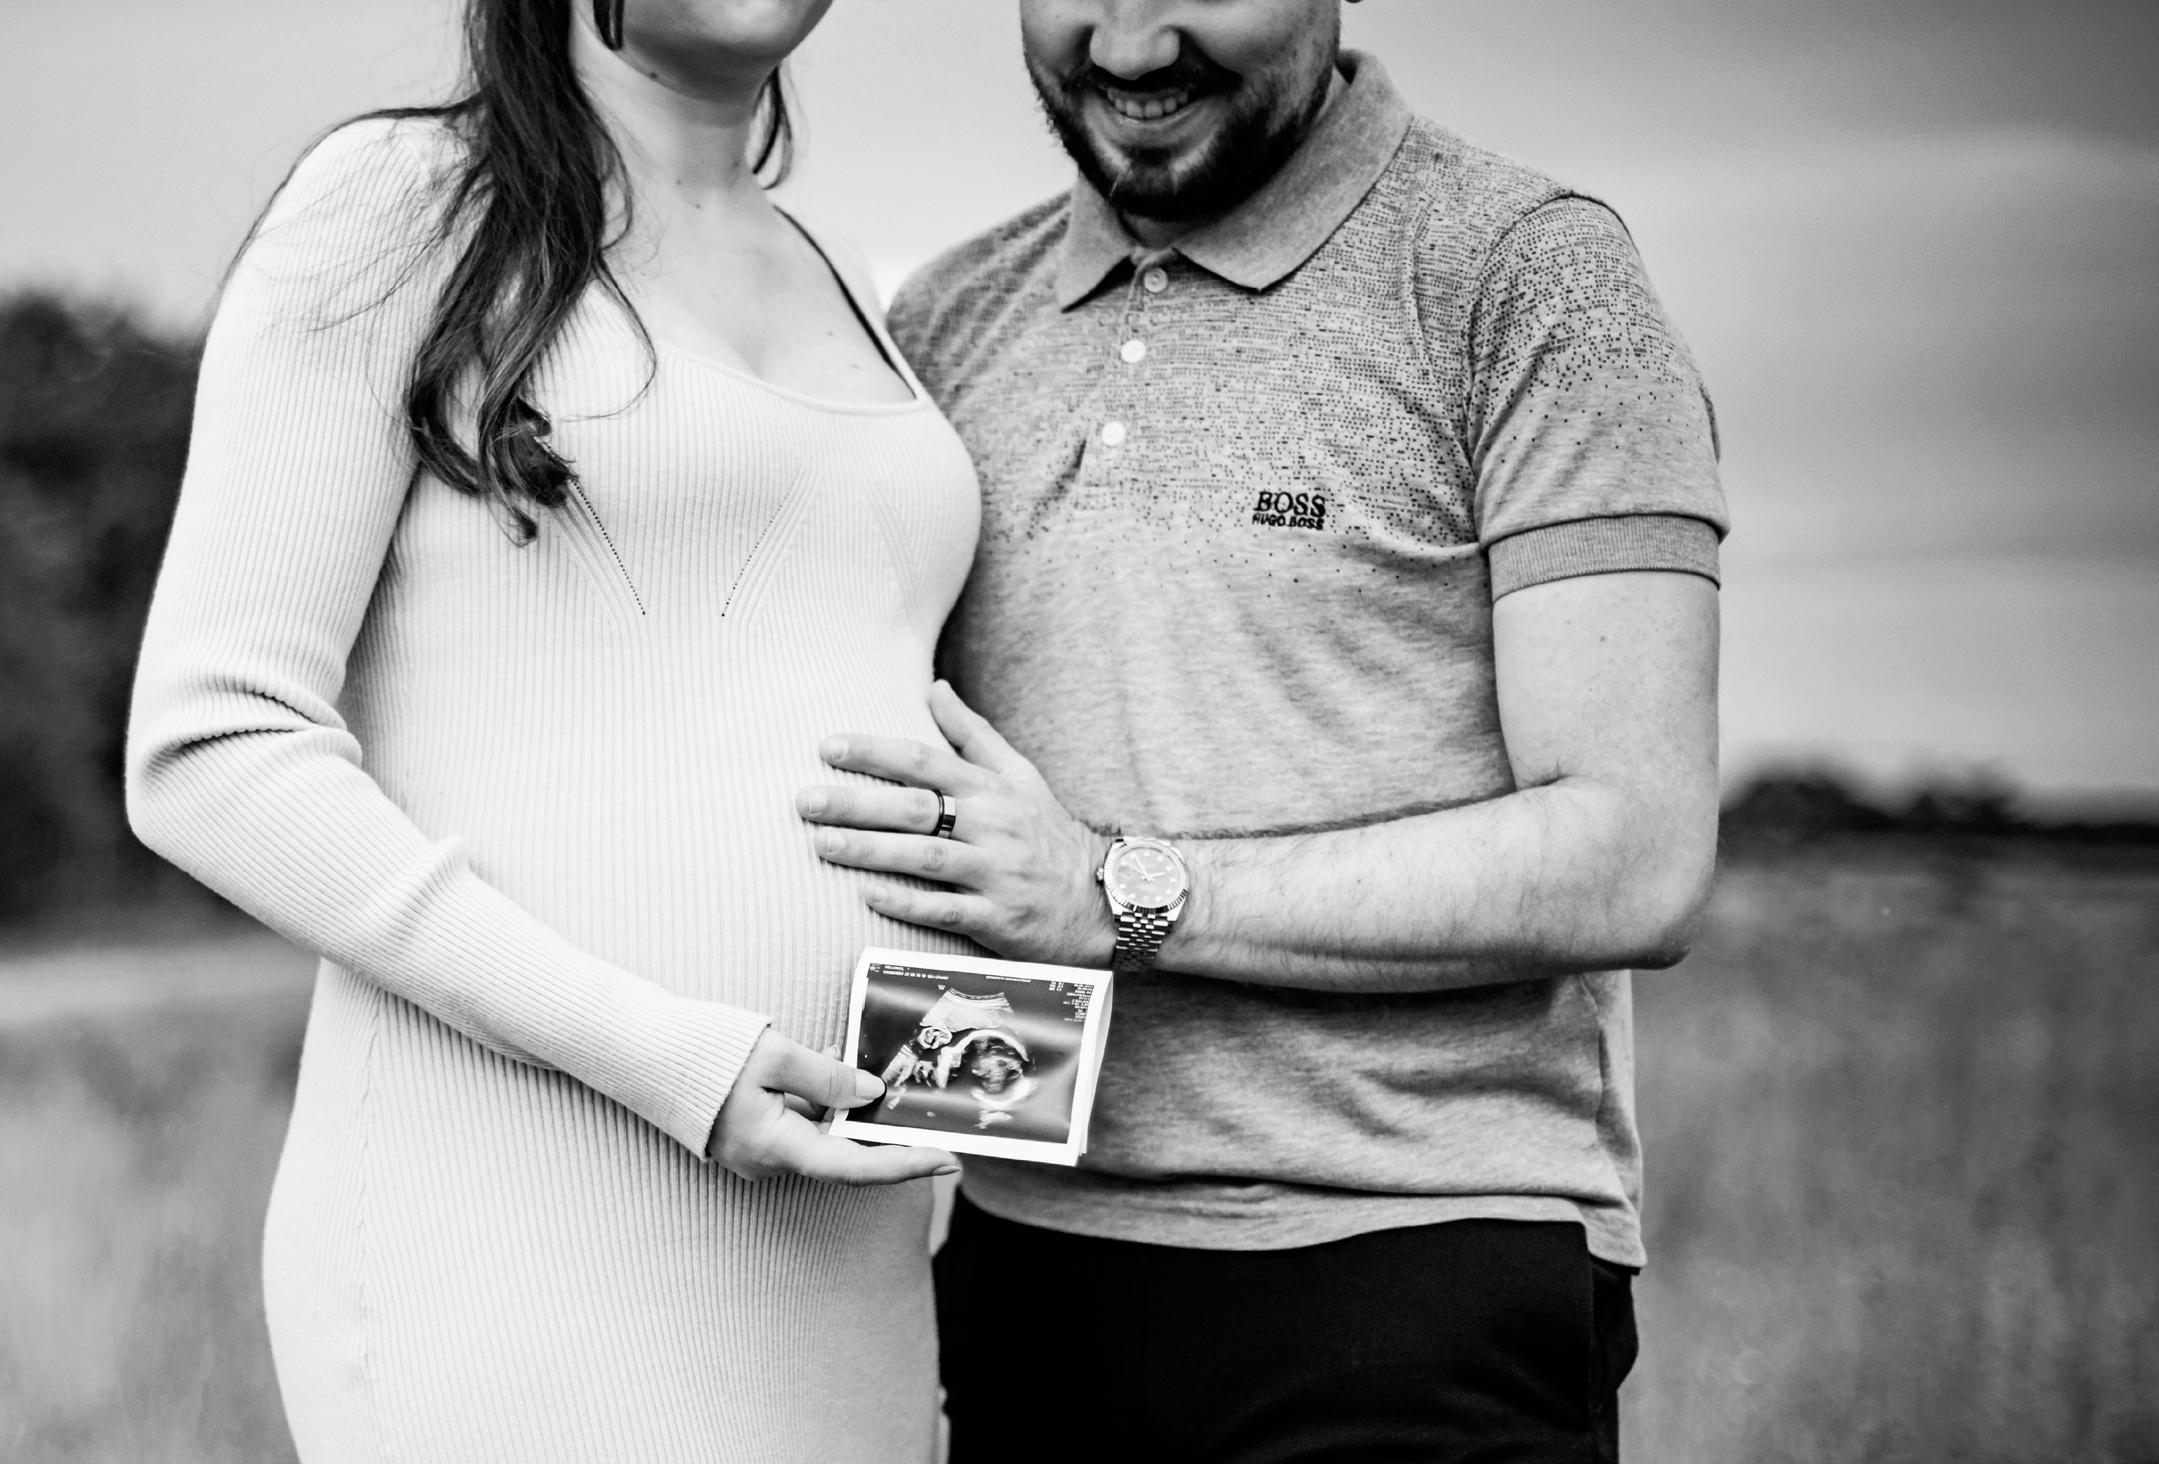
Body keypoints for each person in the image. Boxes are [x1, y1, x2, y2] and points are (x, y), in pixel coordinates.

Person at [794, 0, 1727, 1458]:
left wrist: (1119, 893)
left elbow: (1637, 857)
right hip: (1024, 1270)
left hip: (1415, 1262)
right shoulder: (946, 319)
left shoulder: (1527, 273)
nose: (1131, 46)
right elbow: (945, 809)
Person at [125, 1, 976, 1459]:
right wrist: (669, 1058)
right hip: (523, 1229)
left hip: (855, 1253)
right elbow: (210, 744)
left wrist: (976, 1078)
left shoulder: (849, 277)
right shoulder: (405, 205)